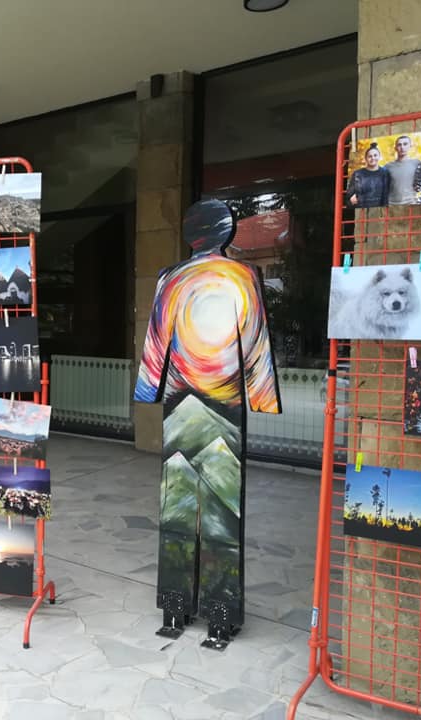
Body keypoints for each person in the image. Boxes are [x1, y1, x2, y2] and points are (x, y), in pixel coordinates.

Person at [134, 199, 281, 646]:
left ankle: (175, 610)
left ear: (191, 233)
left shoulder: (171, 278)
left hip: (179, 403)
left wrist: (148, 389)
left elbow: (156, 340)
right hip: (224, 403)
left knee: (176, 506)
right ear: (228, 232)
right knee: (222, 513)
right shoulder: (242, 276)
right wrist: (262, 396)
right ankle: (219, 616)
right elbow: (254, 340)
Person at [346, 142, 390, 208]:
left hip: (381, 210)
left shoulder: (385, 173)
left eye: (375, 155)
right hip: (362, 210)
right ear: (366, 158)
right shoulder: (357, 174)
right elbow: (349, 197)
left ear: (379, 157)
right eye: (370, 156)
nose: (373, 158)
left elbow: (389, 194)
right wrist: (351, 201)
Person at [386, 135, 420, 205]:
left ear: (410, 146)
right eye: (399, 145)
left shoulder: (417, 163)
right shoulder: (388, 166)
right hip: (392, 204)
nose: (402, 147)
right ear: (395, 148)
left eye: (405, 144)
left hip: (411, 203)